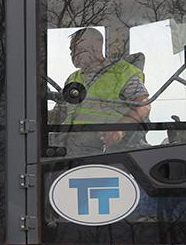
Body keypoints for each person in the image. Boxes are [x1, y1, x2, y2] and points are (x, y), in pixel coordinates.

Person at [55, 27, 150, 155]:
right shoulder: (73, 78)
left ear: (97, 47)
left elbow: (143, 105)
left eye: (79, 49)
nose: (73, 54)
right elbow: (60, 112)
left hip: (105, 151)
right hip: (70, 151)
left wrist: (119, 129)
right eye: (72, 50)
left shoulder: (121, 72)